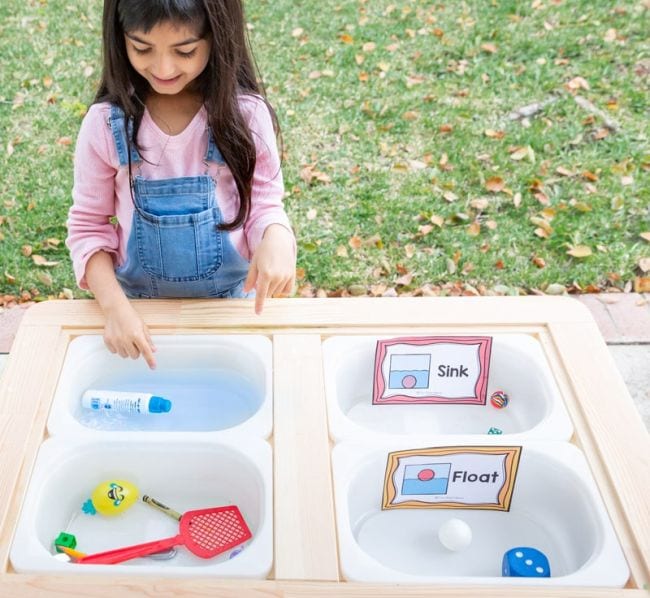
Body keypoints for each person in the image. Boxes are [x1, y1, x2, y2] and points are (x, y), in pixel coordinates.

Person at [66, 0, 296, 370]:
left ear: (218, 37)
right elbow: (88, 228)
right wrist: (115, 309)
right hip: (136, 314)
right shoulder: (105, 125)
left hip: (229, 311)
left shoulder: (246, 115)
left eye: (184, 50)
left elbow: (265, 205)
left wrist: (277, 239)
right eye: (142, 48)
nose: (163, 68)